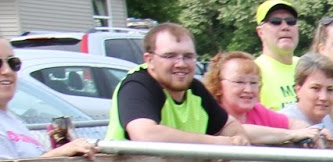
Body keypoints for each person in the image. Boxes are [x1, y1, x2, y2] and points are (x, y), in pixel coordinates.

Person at [0, 28, 98, 162]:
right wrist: (57, 155)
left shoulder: (7, 117)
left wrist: (63, 152)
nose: (7, 71)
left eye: (13, 63)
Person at [105, 23, 250, 145]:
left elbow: (229, 125)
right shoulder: (137, 85)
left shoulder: (195, 89)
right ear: (149, 60)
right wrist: (218, 143)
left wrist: (238, 139)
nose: (181, 64)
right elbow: (145, 134)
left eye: (188, 56)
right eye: (170, 56)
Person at [204, 50, 330, 145]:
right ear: (218, 85)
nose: (248, 89)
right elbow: (236, 131)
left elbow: (292, 123)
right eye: (239, 82)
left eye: (254, 83)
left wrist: (312, 131)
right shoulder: (213, 112)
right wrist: (291, 135)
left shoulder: (258, 111)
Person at [282, 52, 333, 138]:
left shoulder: (326, 118)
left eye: (330, 89)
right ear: (298, 90)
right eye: (315, 88)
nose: (324, 97)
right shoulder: (284, 121)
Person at [253, 0, 301, 110]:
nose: (285, 27)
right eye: (275, 21)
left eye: (291, 21)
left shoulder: (309, 67)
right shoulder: (253, 72)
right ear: (260, 32)